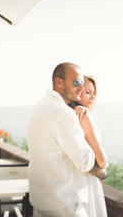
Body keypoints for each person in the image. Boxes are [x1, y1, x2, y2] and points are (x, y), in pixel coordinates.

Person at [27, 62, 107, 217]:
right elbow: (86, 162)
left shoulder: (40, 105)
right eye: (77, 82)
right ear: (59, 82)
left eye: (82, 84)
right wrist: (102, 168)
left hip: (42, 199)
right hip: (64, 203)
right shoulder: (64, 113)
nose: (81, 88)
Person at [70, 76, 108, 216]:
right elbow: (102, 161)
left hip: (80, 181)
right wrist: (103, 173)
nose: (92, 97)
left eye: (93, 93)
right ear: (77, 93)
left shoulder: (72, 114)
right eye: (87, 92)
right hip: (88, 181)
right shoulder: (84, 115)